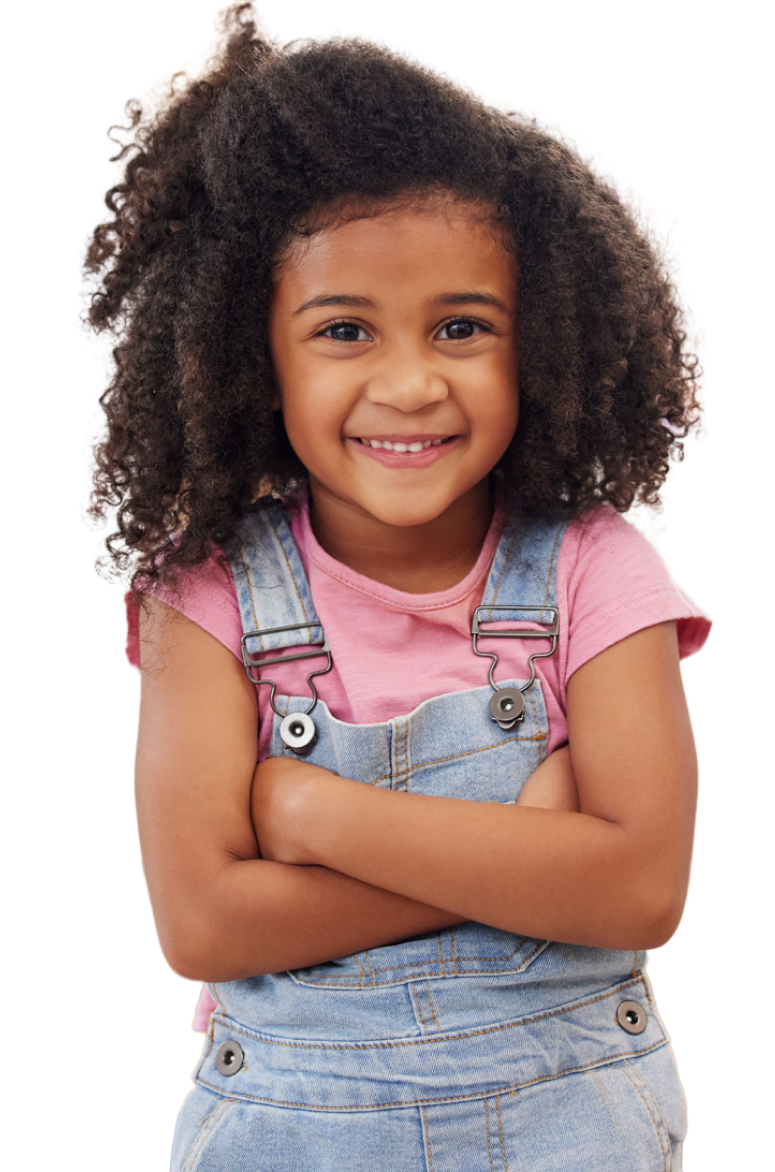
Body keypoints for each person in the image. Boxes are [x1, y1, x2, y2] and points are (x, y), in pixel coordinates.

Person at [75, 4, 712, 1168]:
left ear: (547, 339)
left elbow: (637, 887)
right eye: (344, 330)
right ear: (244, 349)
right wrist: (521, 854)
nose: (410, 383)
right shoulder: (203, 592)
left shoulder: (594, 567)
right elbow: (204, 922)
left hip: (569, 1124)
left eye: (462, 326)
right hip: (290, 1131)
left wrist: (315, 816)